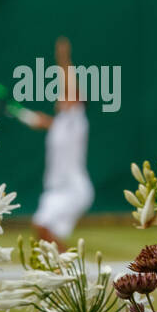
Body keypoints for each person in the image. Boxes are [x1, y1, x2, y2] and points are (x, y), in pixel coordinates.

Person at [28, 38, 95, 251]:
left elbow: (69, 83)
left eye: (66, 93)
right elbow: (54, 126)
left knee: (41, 225)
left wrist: (63, 58)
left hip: (73, 190)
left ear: (76, 100)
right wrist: (44, 123)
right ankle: (66, 270)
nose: (61, 94)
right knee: (44, 236)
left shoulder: (77, 119)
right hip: (55, 190)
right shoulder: (62, 123)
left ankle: (67, 269)